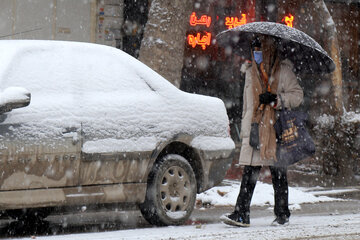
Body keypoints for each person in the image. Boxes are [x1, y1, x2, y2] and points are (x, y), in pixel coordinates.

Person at [221, 36, 303, 227]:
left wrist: (276, 99)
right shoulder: (250, 72)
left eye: (260, 48)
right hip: (255, 128)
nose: (257, 52)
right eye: (254, 48)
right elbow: (246, 106)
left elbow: (297, 96)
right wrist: (244, 129)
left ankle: (282, 214)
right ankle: (241, 214)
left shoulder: (283, 71)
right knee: (250, 170)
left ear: (269, 49)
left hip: (274, 129)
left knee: (278, 172)